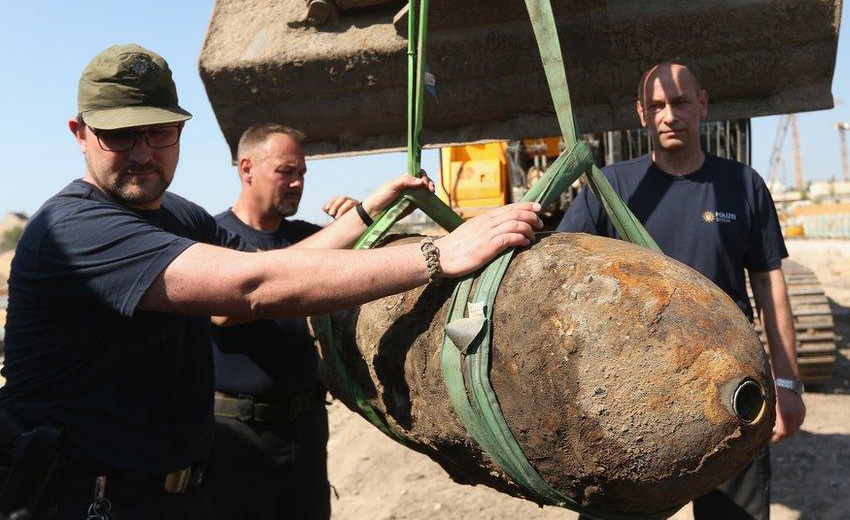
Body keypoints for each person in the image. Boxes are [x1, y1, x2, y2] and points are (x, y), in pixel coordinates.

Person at [0, 44, 541, 519]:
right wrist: (438, 254)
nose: (143, 152)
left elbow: (285, 262)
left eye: (157, 132)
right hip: (91, 502)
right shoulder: (74, 228)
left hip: (176, 493)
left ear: (179, 131)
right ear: (80, 133)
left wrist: (368, 212)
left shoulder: (178, 216)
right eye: (119, 136)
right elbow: (252, 288)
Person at [558, 61, 805, 520]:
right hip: (632, 400)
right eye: (656, 106)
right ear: (641, 114)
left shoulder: (743, 185)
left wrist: (787, 383)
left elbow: (771, 287)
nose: (669, 115)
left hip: (733, 393)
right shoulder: (609, 189)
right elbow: (560, 273)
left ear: (703, 105)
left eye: (680, 102)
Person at [201, 123, 359, 519]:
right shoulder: (210, 239)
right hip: (234, 437)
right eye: (285, 172)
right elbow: (222, 312)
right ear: (247, 168)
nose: (297, 183)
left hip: (304, 427)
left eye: (302, 173)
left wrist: (356, 226)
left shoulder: (306, 238)